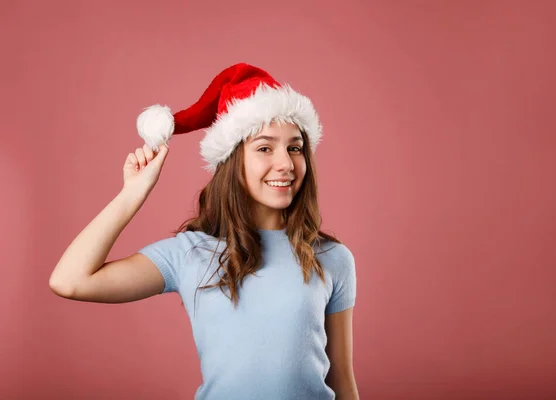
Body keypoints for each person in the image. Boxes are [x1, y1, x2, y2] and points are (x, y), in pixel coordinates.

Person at [49, 63, 359, 399]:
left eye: (295, 147)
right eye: (265, 148)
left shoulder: (332, 258)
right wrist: (132, 194)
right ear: (232, 160)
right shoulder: (190, 253)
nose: (285, 163)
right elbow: (70, 280)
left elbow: (341, 379)